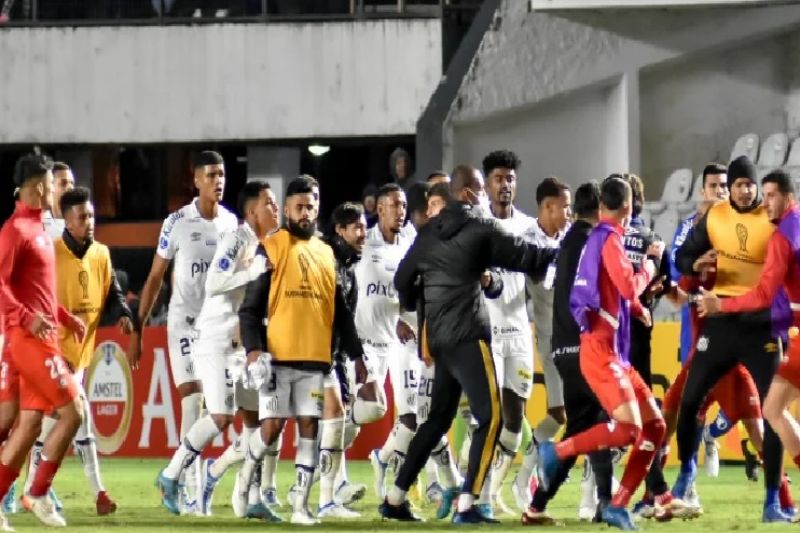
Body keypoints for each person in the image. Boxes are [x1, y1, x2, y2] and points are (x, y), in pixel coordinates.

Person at [379, 171, 557, 524]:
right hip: (468, 335)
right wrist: (564, 251)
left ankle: (395, 498)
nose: (484, 197)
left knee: (437, 420)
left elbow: (402, 280)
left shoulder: (427, 234)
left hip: (439, 339)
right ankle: (468, 503)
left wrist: (420, 300)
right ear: (468, 193)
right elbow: (524, 255)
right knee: (491, 417)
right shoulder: (479, 227)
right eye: (479, 190)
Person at [538, 176, 667, 531]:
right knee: (629, 429)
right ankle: (556, 452)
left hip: (612, 351)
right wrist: (650, 266)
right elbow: (628, 286)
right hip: (599, 351)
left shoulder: (599, 237)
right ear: (628, 206)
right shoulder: (609, 239)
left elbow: (611, 289)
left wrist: (636, 310)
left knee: (655, 426)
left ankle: (618, 505)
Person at [235, 175, 365, 525]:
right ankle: (245, 480)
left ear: (317, 208)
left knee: (310, 427)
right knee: (273, 427)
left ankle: (301, 507)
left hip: (316, 359)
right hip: (278, 357)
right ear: (288, 209)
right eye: (299, 207)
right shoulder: (272, 246)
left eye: (310, 206)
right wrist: (253, 350)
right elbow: (249, 308)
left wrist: (356, 354)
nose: (305, 213)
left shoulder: (326, 252)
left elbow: (340, 311)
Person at [156, 180, 279, 519]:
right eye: (269, 203)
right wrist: (253, 271)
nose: (275, 208)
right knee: (222, 417)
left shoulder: (263, 244)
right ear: (252, 211)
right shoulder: (237, 239)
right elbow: (213, 282)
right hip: (214, 340)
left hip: (239, 345)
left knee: (257, 420)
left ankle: (251, 497)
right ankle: (171, 475)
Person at [674, 155, 787, 522]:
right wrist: (696, 263)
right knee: (690, 401)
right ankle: (686, 474)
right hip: (721, 322)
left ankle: (772, 501)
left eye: (749, 184)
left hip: (760, 325)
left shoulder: (771, 218)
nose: (744, 190)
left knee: (772, 412)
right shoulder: (714, 216)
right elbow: (683, 256)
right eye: (739, 184)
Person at [129, 150, 238, 514]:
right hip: (185, 324)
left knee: (218, 409)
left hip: (217, 327)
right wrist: (138, 330)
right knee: (193, 400)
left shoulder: (231, 223)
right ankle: (188, 488)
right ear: (196, 180)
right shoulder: (177, 222)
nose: (218, 181)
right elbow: (155, 278)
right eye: (211, 175)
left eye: (222, 175)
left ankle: (182, 476)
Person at [697, 170, 800, 513]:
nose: (764, 202)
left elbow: (763, 295)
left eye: (771, 196)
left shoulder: (782, 238)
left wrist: (721, 305)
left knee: (772, 410)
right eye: (764, 195)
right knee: (771, 410)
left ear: (787, 197)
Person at [0, 154, 86, 529]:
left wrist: (63, 317)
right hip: (28, 340)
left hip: (40, 335)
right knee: (74, 412)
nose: (56, 193)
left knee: (28, 424)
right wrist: (26, 318)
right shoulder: (16, 230)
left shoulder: (38, 229)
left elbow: (39, 291)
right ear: (39, 187)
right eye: (52, 186)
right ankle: (36, 492)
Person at [521, 181, 611, 525]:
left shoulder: (564, 244)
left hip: (561, 347)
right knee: (603, 420)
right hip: (584, 346)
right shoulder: (593, 242)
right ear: (600, 208)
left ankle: (537, 505)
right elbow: (594, 295)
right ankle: (607, 502)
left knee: (579, 428)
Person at [52, 187, 135, 517]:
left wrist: (124, 314)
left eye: (91, 215)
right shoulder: (51, 253)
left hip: (81, 354)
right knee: (80, 417)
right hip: (53, 353)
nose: (90, 222)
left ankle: (24, 489)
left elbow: (113, 291)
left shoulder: (101, 253)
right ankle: (98, 493)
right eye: (83, 217)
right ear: (67, 221)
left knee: (44, 428)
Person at [510, 173, 572, 515]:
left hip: (573, 336)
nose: (568, 213)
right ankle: (524, 478)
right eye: (564, 207)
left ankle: (528, 475)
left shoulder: (569, 235)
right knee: (560, 412)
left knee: (566, 413)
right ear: (548, 207)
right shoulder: (527, 240)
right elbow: (531, 285)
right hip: (549, 338)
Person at [352, 184, 420, 500]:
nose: (401, 211)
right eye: (395, 205)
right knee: (369, 411)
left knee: (412, 417)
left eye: (403, 205)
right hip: (365, 343)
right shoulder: (364, 242)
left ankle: (383, 458)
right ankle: (329, 476)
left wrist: (403, 319)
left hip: (398, 341)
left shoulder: (410, 242)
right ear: (380, 209)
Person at [317, 202, 368, 518]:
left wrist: (350, 355)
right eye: (357, 227)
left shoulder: (348, 266)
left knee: (339, 420)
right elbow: (340, 314)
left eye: (364, 227)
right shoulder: (327, 260)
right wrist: (358, 354)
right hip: (312, 354)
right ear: (339, 230)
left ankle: (329, 490)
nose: (363, 233)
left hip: (331, 355)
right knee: (271, 429)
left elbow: (345, 316)